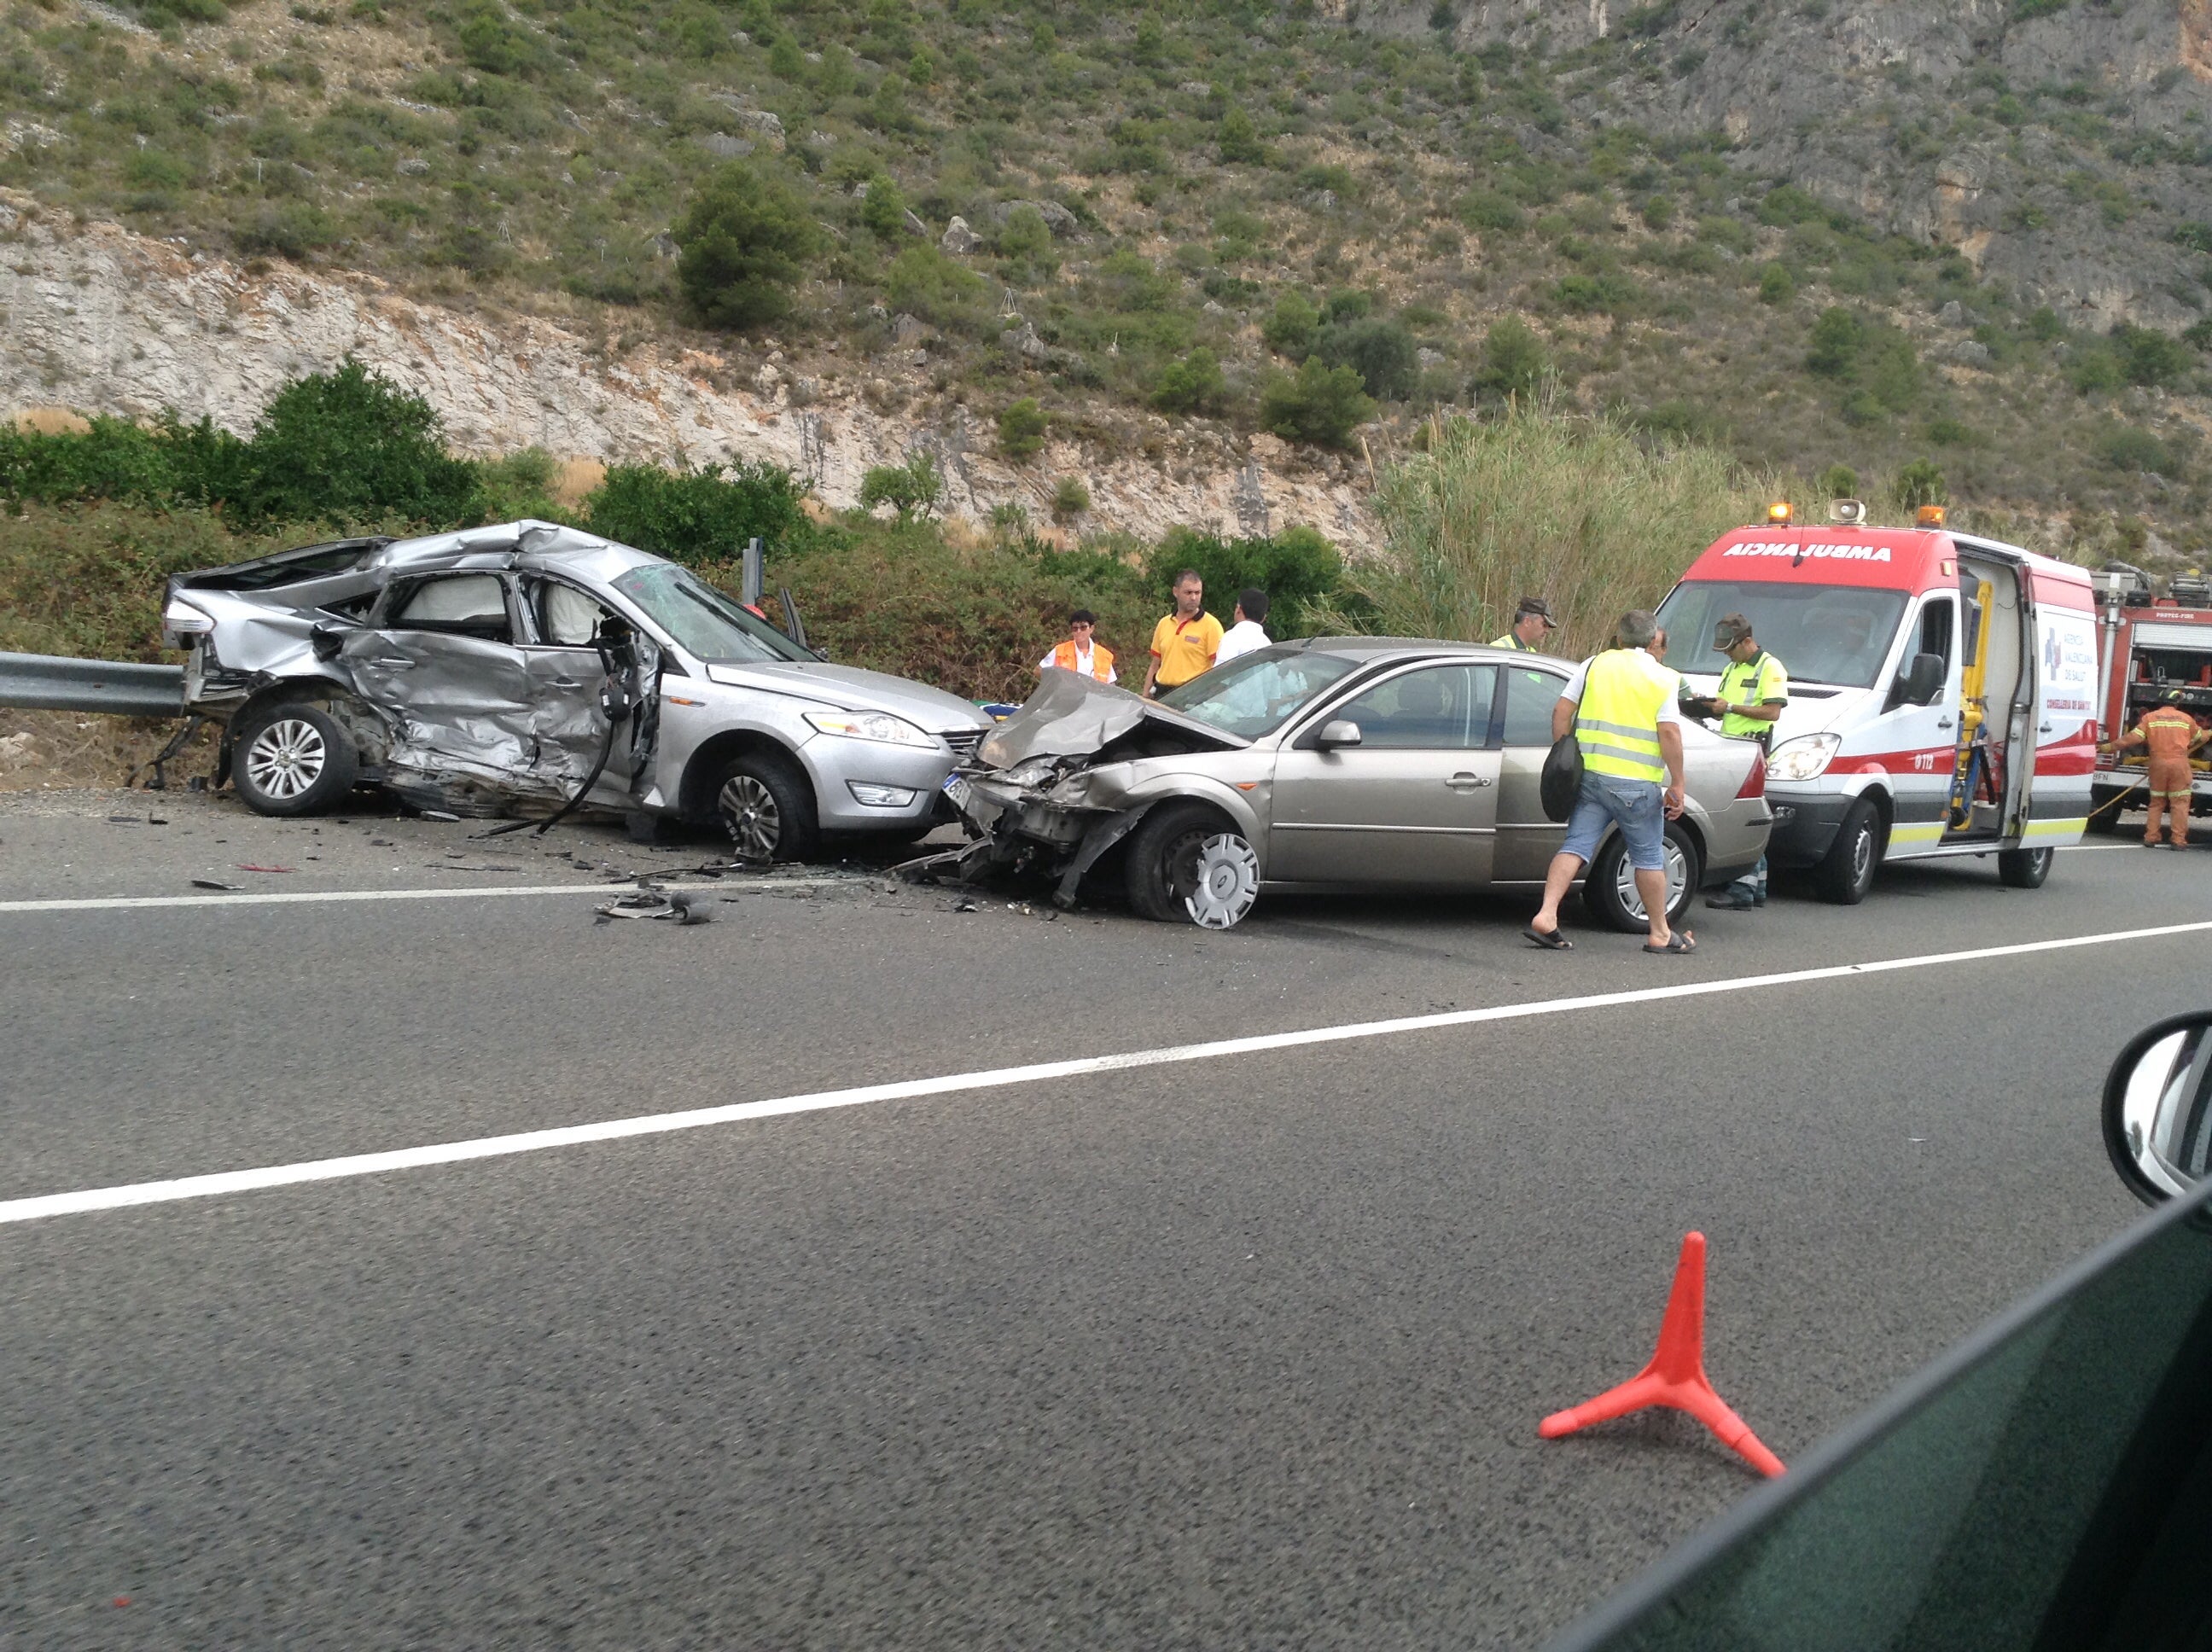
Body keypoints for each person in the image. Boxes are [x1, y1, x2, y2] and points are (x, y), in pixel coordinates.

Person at [1524, 610, 1694, 955]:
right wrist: (1677, 782)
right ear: (1651, 642)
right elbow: (1669, 732)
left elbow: (1561, 711)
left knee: (1576, 845)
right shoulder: (1663, 677)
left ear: (1617, 638)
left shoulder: (1593, 665)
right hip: (1636, 785)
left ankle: (1546, 915)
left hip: (1591, 778)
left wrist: (1565, 757)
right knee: (1647, 857)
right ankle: (1660, 933)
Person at [1697, 614, 1788, 909]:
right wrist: (1709, 708)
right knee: (1746, 816)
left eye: (1730, 648)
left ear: (1747, 641)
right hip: (1732, 747)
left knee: (1744, 817)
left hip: (1753, 747)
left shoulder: (1769, 667)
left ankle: (1742, 891)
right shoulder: (1731, 668)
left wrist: (1731, 707)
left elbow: (1773, 712)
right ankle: (1757, 887)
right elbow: (1727, 710)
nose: (1726, 654)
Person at [2108, 688, 2208, 848]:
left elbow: (2134, 738)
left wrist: (2110, 747)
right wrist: (2209, 732)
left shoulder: (2149, 717)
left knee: (2156, 802)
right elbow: (2199, 737)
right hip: (2179, 766)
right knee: (2180, 803)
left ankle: (2151, 837)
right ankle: (2178, 840)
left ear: (2160, 702)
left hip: (2157, 765)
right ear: (2176, 703)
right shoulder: (2185, 718)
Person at [1141, 568, 1224, 698]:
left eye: (1198, 592)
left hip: (1193, 696)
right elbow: (1155, 665)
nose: (1193, 597)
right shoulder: (1165, 623)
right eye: (1188, 592)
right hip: (1162, 694)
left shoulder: (1211, 625)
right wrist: (1144, 698)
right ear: (1176, 592)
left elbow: (1218, 669)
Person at [1039, 609, 1115, 683]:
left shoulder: (1104, 655)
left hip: (1094, 696)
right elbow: (1038, 670)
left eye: (1083, 627)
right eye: (1075, 628)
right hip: (1067, 696)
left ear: (1091, 629)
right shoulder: (1060, 650)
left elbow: (1111, 685)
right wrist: (1057, 681)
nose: (1079, 632)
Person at [1216, 588, 1272, 663]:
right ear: (1264, 618)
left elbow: (1221, 671)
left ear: (1238, 609)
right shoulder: (1268, 644)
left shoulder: (1231, 637)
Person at [1491, 597, 1557, 653]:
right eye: (1544, 625)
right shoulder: (1499, 649)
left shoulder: (1532, 653)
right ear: (1527, 622)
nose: (1546, 631)